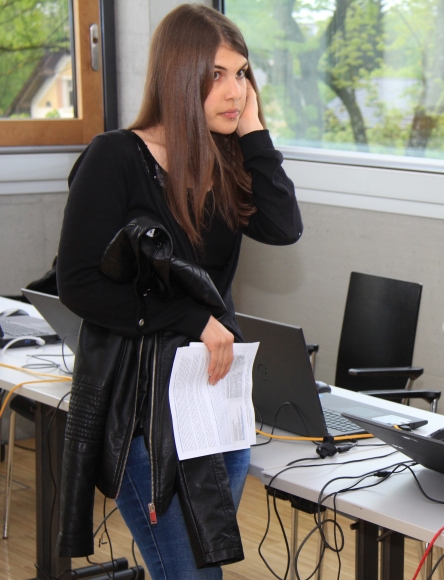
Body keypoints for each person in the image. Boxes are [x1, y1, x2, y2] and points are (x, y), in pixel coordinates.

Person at [55, 4, 302, 578]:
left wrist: (255, 132)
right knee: (189, 570)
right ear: (178, 74)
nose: (235, 91)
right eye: (217, 74)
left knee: (199, 565)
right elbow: (78, 283)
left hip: (214, 397)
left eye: (242, 74)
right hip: (143, 402)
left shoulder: (223, 160)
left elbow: (284, 226)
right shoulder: (114, 157)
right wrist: (188, 319)